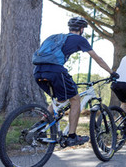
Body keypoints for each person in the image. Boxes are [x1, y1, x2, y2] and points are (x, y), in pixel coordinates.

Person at [33, 16, 117, 147]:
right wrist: (111, 72)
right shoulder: (79, 39)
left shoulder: (55, 37)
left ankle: (39, 126)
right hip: (55, 71)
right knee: (75, 99)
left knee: (59, 99)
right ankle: (72, 136)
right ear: (82, 29)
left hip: (38, 71)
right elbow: (97, 58)